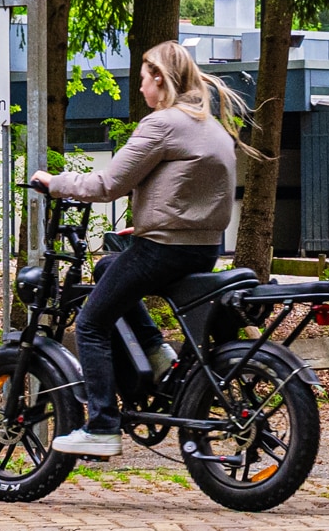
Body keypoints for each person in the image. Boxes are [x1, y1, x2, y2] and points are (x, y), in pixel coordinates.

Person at [30, 37, 240, 458]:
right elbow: (187, 192)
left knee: (90, 324)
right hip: (202, 248)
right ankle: (159, 356)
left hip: (163, 249)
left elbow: (109, 184)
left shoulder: (163, 124)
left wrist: (55, 183)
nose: (140, 89)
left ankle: (103, 425)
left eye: (143, 79)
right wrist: (148, 223)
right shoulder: (211, 125)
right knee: (109, 268)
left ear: (160, 80)